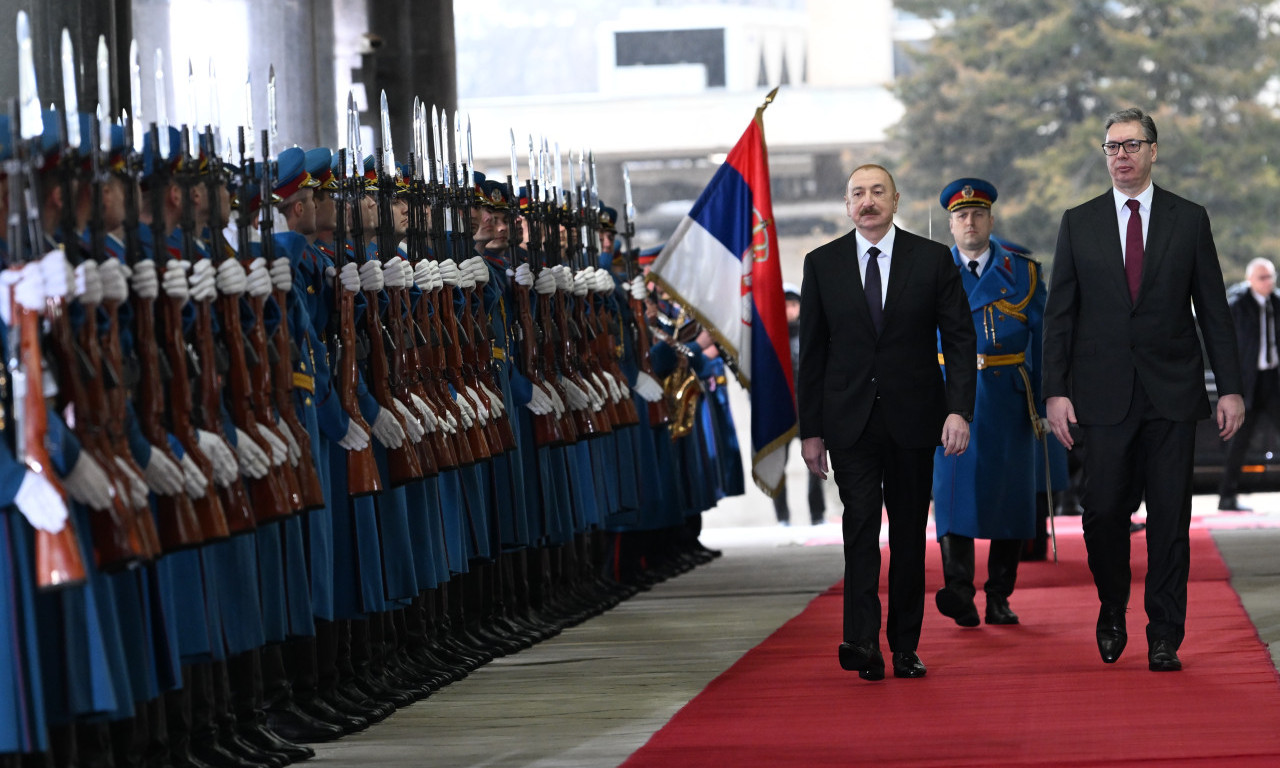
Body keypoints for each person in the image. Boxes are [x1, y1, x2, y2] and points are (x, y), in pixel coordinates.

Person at [1043, 107, 1245, 673]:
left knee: (1169, 517)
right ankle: (1113, 606)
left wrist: (1229, 387)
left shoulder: (1189, 218)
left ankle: (1165, 634)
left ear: (1154, 151)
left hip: (1172, 393)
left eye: (1131, 145)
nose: (1121, 156)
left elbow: (1213, 310)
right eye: (1111, 147)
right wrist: (1054, 391)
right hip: (1101, 394)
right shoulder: (1078, 223)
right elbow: (1058, 315)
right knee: (1103, 511)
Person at [798, 164, 976, 681]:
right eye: (858, 193)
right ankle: (861, 642)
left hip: (915, 420)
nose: (868, 201)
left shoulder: (932, 259)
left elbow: (960, 340)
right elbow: (810, 355)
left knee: (905, 537)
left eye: (878, 192)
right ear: (846, 204)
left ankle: (904, 646)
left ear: (896, 200)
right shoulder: (821, 264)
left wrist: (959, 410)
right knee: (858, 531)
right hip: (848, 422)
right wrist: (811, 430)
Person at [932, 178, 1045, 627]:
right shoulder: (933, 271)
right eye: (961, 216)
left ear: (991, 220)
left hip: (1009, 396)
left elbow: (1044, 339)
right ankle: (959, 591)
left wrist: (1048, 400)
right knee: (953, 493)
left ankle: (999, 595)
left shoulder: (1023, 271)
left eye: (978, 214)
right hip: (950, 398)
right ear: (951, 225)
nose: (970, 222)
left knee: (1010, 498)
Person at [1218, 258, 1280, 512]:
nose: (1269, 282)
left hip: (1273, 379)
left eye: (1271, 277)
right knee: (1239, 440)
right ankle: (1227, 496)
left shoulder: (1276, 303)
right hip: (1248, 382)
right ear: (1250, 279)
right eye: (1263, 277)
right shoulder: (1238, 305)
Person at [773, 283, 826, 526]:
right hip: (781, 412)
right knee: (776, 468)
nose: (789, 310)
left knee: (816, 465)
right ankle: (782, 517)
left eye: (793, 305)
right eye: (784, 306)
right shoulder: (770, 341)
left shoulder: (811, 336)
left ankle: (817, 514)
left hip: (808, 413)